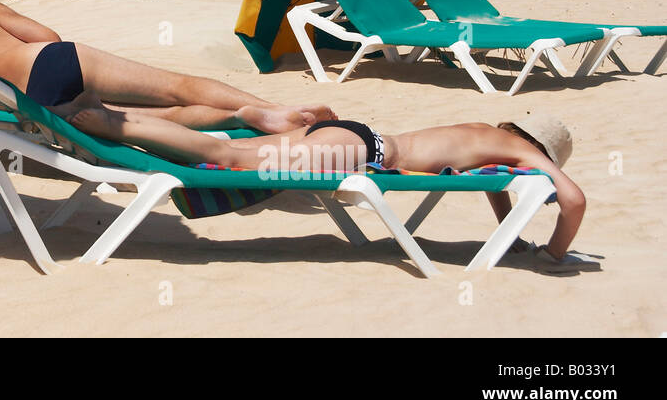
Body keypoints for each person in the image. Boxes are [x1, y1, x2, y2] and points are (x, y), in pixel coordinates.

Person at [63, 102, 589, 270]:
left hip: (353, 133)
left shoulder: (487, 135)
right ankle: (109, 124)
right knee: (223, 156)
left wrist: (511, 236)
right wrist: (554, 254)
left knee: (232, 150)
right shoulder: (526, 154)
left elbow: (496, 188)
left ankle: (117, 117)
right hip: (365, 153)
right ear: (538, 146)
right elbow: (574, 198)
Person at [0, 0, 335, 138]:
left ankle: (240, 118)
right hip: (54, 63)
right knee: (178, 86)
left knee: (168, 115)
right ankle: (276, 111)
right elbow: (48, 37)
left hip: (45, 105)